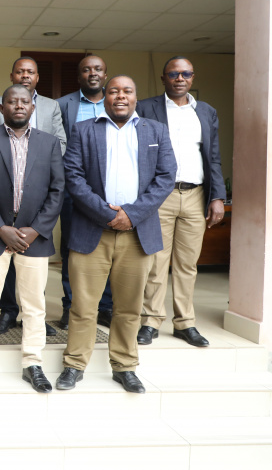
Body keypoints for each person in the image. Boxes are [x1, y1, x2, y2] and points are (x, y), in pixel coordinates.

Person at [56, 76, 176, 394]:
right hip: (91, 230)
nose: (120, 96)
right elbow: (73, 176)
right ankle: (74, 364)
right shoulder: (84, 130)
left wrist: (130, 215)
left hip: (137, 233)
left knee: (128, 307)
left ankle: (124, 366)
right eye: (113, 91)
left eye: (127, 91)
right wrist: (107, 214)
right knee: (83, 306)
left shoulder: (156, 131)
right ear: (105, 97)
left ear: (136, 97)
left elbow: (166, 178)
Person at [0, 84, 64, 393]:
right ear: (2, 108)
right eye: (12, 101)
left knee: (34, 306)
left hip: (34, 238)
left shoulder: (49, 143)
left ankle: (32, 363)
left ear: (33, 107)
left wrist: (34, 230)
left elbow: (57, 190)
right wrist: (0, 228)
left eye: (25, 101)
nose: (19, 105)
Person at [137, 57, 226, 347]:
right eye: (174, 73)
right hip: (159, 195)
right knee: (156, 261)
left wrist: (217, 196)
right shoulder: (146, 108)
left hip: (195, 195)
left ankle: (185, 323)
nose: (180, 78)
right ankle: (150, 321)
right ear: (163, 78)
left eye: (185, 73)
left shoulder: (206, 111)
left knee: (187, 264)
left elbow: (213, 157)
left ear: (192, 77)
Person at [0, 56, 67, 336]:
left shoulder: (51, 106)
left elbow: (60, 142)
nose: (25, 76)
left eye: (30, 72)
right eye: (20, 71)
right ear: (12, 76)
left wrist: (40, 161)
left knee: (34, 268)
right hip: (4, 196)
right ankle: (8, 311)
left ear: (37, 77)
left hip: (37, 196)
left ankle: (33, 320)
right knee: (2, 264)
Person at [55, 55, 114, 330]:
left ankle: (105, 306)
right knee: (72, 248)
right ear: (79, 76)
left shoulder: (117, 102)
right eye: (86, 70)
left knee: (111, 247)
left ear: (105, 74)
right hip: (73, 189)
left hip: (110, 189)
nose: (93, 73)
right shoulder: (63, 105)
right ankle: (71, 306)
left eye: (98, 69)